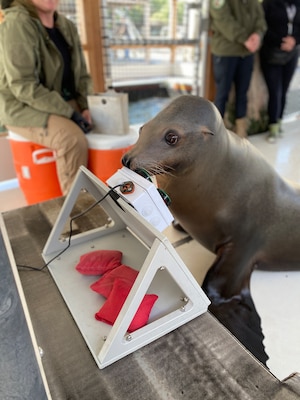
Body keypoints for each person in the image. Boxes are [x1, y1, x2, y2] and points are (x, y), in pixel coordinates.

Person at [0, 0, 93, 195]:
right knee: (71, 139)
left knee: (106, 124)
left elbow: (82, 75)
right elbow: (22, 85)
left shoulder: (66, 25)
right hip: (21, 105)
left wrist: (86, 107)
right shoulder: (17, 23)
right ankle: (76, 213)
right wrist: (70, 113)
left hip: (56, 101)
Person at [209, 0, 266, 138]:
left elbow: (261, 21)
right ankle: (216, 134)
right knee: (222, 94)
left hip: (246, 54)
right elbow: (223, 19)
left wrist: (257, 35)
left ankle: (241, 131)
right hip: (225, 53)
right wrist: (245, 39)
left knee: (243, 93)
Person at [260, 0, 300, 143]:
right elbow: (263, 27)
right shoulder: (268, 3)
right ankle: (272, 127)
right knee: (274, 91)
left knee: (284, 90)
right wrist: (281, 41)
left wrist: (294, 40)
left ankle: (279, 121)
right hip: (271, 53)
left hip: (292, 53)